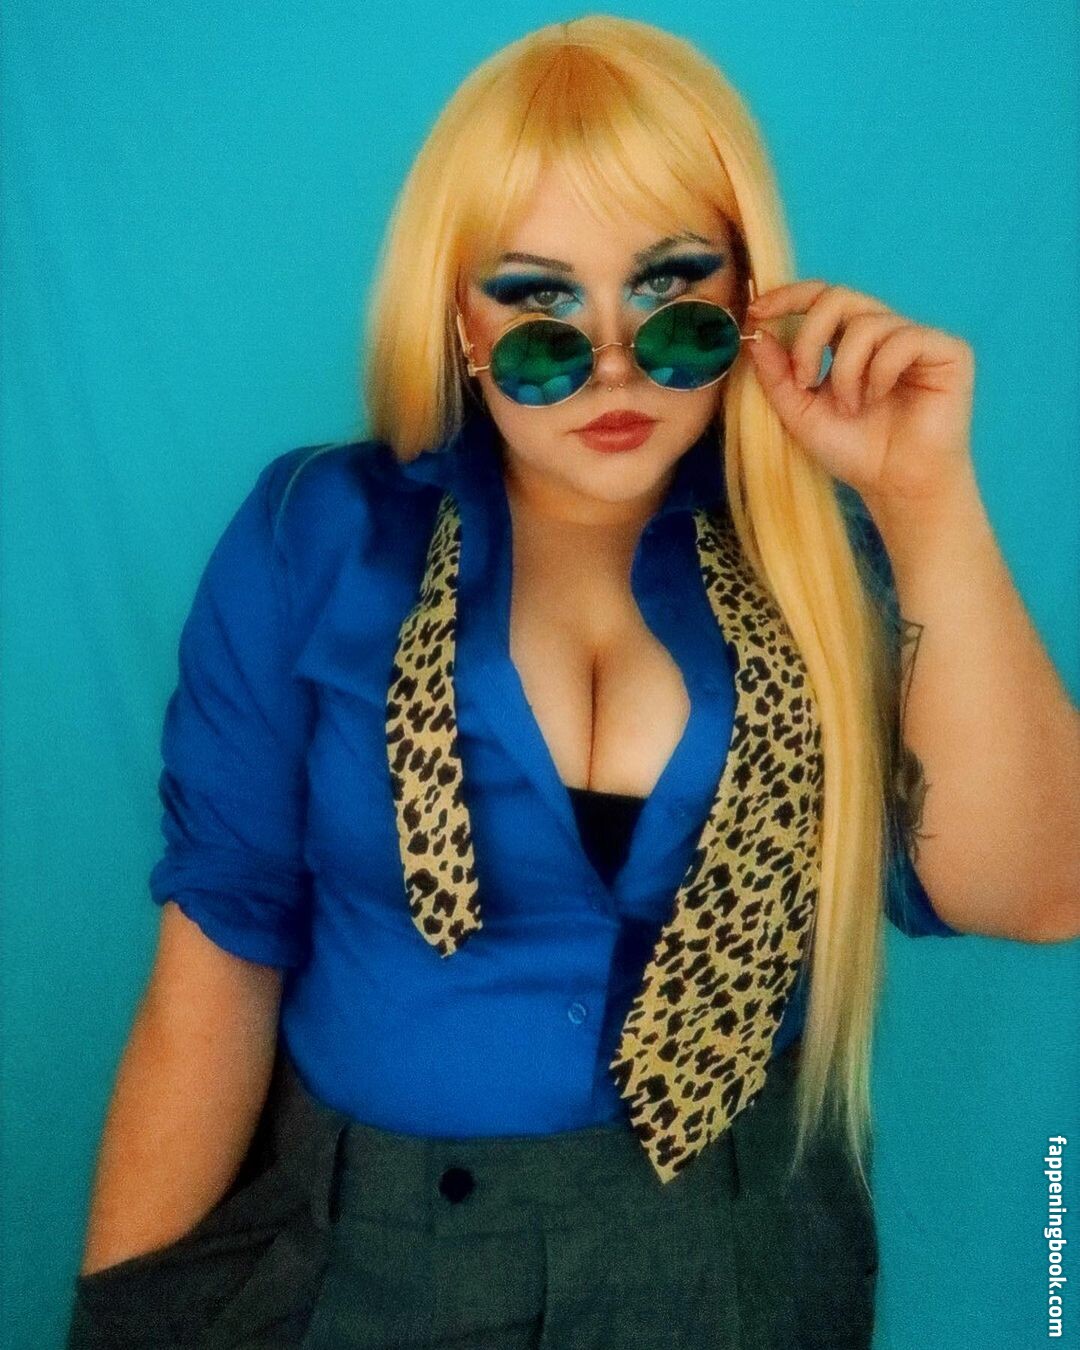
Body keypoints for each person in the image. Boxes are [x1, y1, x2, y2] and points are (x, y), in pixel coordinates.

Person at [66, 15, 1080, 1350]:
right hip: (373, 1271)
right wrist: (128, 1325)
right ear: (460, 322)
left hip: (740, 1270)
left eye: (673, 301)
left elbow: (1039, 887)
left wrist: (924, 495)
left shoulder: (829, 561)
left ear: (749, 295)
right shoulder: (315, 536)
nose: (612, 365)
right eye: (541, 314)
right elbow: (215, 971)